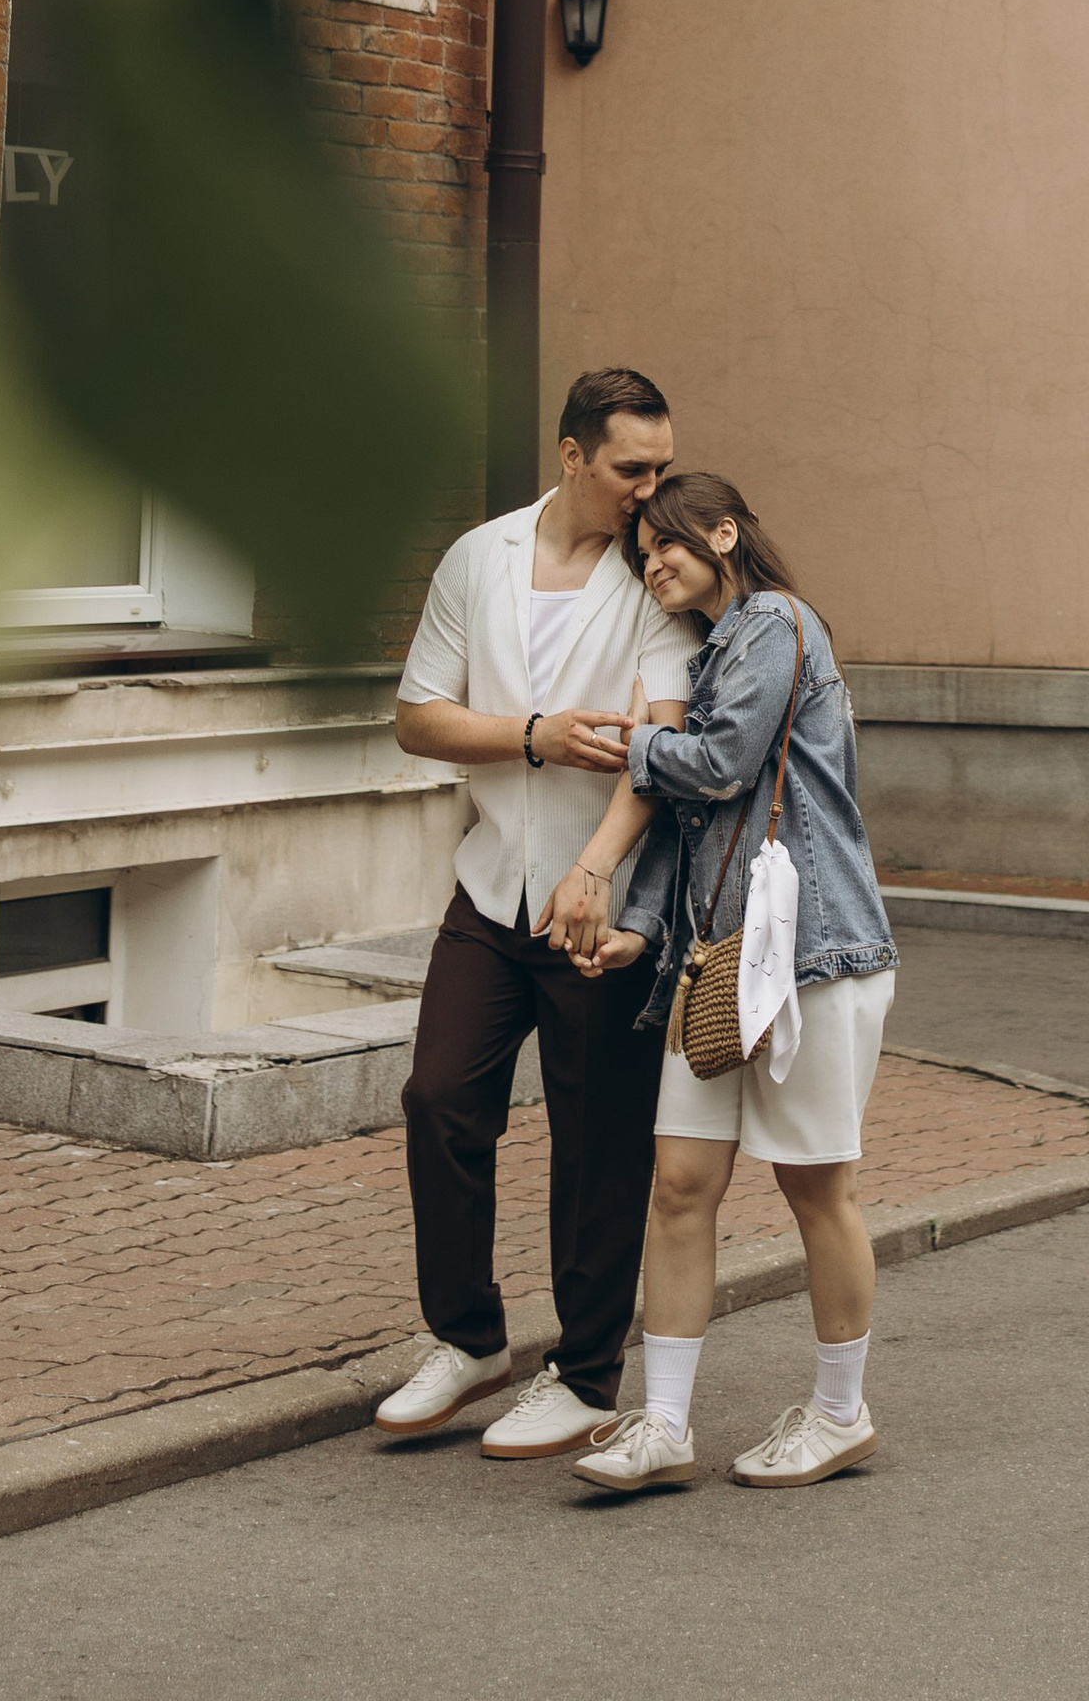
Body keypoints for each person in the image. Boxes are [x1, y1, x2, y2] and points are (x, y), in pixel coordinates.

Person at [549, 469, 899, 1495]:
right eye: (639, 553)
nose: (650, 563)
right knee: (681, 1186)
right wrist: (641, 929)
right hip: (714, 964)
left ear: (723, 534)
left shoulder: (776, 623)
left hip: (814, 960)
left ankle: (841, 1414)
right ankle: (662, 1424)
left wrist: (631, 743)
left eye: (665, 544)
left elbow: (716, 765)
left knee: (814, 1188)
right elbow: (698, 820)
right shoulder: (712, 655)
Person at [375, 367, 698, 1461]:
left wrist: (596, 869)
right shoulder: (481, 558)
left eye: (660, 467)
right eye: (631, 469)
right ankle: (468, 1342)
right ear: (571, 457)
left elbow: (661, 744)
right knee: (438, 1099)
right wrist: (533, 736)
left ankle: (586, 1375)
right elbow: (419, 720)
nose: (651, 490)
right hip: (488, 885)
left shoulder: (657, 576)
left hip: (596, 902)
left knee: (596, 1142)